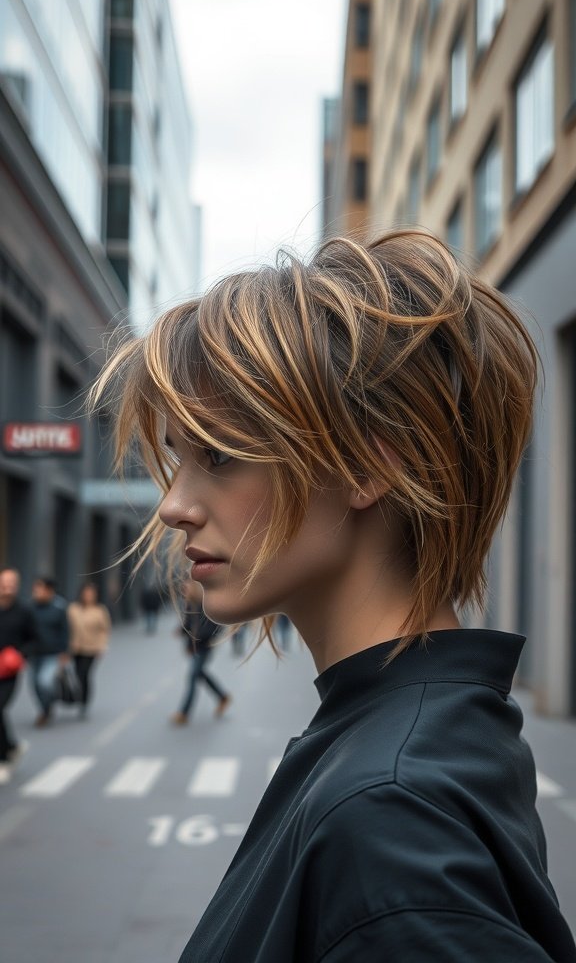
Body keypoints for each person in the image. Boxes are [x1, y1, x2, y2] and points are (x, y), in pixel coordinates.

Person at [92, 231, 576, 962]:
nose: (174, 506)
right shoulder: (423, 734)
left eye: (219, 455)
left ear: (367, 467)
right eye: (176, 459)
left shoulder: (390, 810)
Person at [171, 579, 231, 725]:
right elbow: (187, 625)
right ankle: (223, 697)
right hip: (195, 647)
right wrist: (181, 632)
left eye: (186, 588)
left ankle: (183, 713)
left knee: (193, 676)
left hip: (205, 646)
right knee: (200, 674)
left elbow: (217, 626)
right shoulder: (189, 605)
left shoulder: (206, 605)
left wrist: (203, 637)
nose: (184, 591)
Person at [0, 568, 34, 782]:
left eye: (13, 582)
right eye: (5, 581)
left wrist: (20, 654)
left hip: (9, 673)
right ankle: (12, 746)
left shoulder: (24, 611)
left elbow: (34, 640)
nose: (8, 585)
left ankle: (3, 758)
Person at [29, 577, 69, 727]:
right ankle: (45, 708)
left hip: (52, 653)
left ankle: (47, 707)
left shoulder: (59, 608)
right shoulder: (30, 608)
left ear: (49, 590)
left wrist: (64, 652)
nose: (36, 592)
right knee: (35, 685)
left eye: (39, 589)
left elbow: (65, 630)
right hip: (34, 653)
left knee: (44, 682)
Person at [67, 581, 111, 717]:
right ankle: (80, 697)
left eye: (91, 594)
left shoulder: (100, 610)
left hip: (92, 648)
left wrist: (102, 646)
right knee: (77, 673)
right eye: (86, 593)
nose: (88, 596)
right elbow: (66, 627)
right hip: (75, 648)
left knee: (84, 674)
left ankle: (84, 702)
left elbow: (105, 630)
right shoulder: (73, 608)